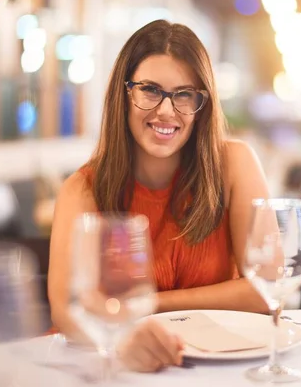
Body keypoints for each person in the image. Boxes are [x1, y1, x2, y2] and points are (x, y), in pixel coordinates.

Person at [47, 20, 270, 371]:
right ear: (124, 93)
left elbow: (265, 289)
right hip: (112, 363)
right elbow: (67, 308)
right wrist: (122, 338)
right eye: (150, 90)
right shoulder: (84, 188)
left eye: (184, 95)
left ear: (202, 105)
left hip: (215, 366)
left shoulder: (235, 164)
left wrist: (143, 305)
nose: (166, 111)